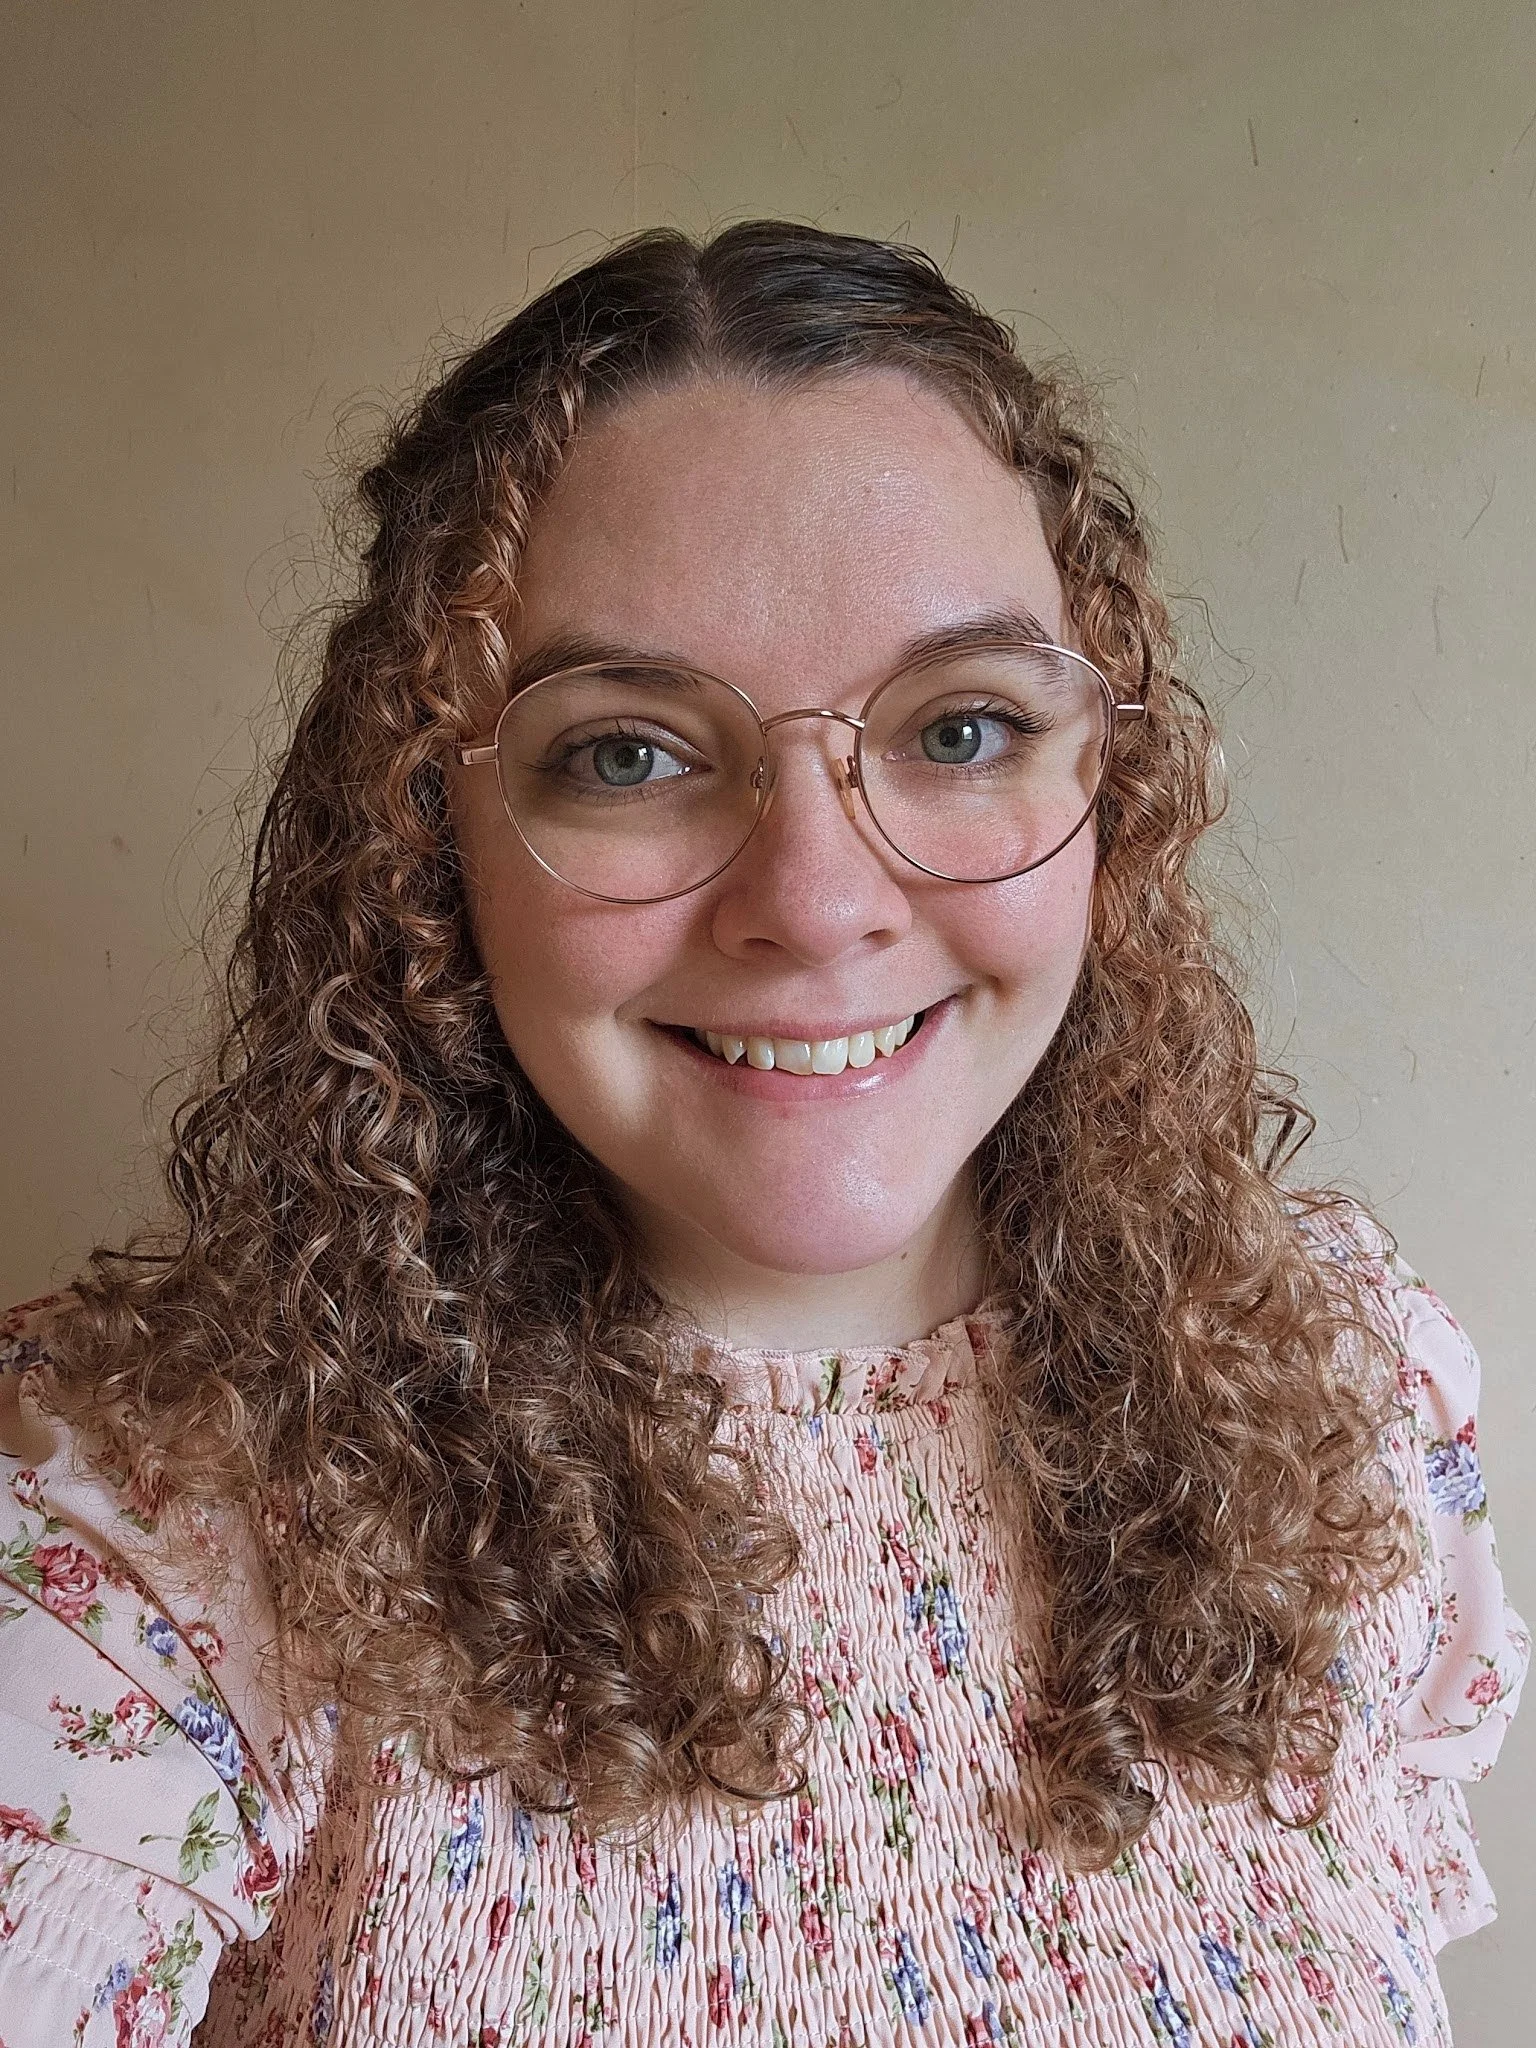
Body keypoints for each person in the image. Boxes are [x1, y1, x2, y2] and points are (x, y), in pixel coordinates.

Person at [0, 220, 1525, 2048]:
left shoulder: (1347, 1399)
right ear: (430, 840)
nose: (815, 903)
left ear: (1106, 794)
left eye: (959, 727)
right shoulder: (155, 1511)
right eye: (629, 751)